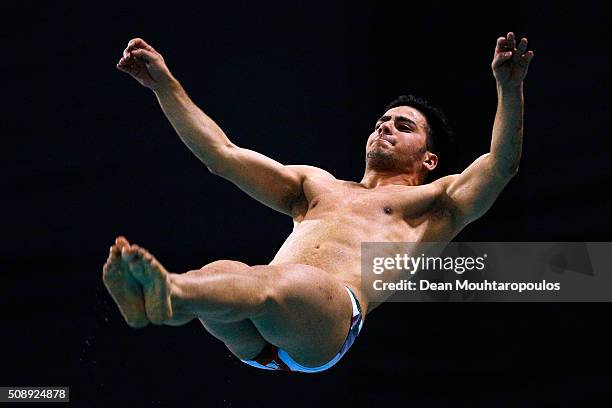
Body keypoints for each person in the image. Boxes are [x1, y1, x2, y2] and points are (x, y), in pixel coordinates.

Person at [103, 32, 534, 373]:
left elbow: (501, 167)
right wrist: (165, 85)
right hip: (258, 327)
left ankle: (171, 294)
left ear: (429, 158)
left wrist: (508, 87)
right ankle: (172, 297)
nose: (385, 128)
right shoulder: (315, 185)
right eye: (382, 121)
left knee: (280, 282)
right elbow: (223, 155)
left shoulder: (435, 203)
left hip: (326, 323)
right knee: (223, 271)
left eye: (403, 126)